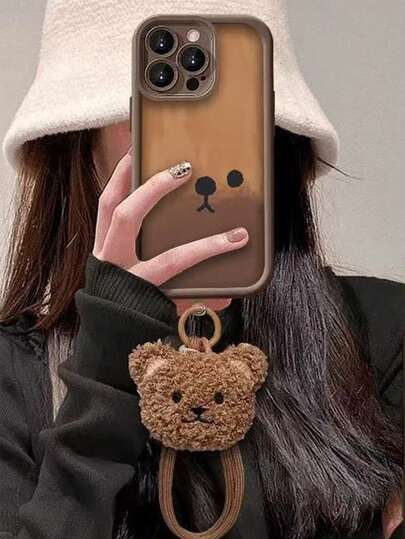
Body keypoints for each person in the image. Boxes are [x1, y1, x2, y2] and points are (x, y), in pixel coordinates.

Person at [0, 1, 403, 538]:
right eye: (157, 117)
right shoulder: (14, 374)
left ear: (276, 140)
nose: (196, 153)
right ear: (80, 146)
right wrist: (107, 362)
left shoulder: (383, 334)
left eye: (230, 118)